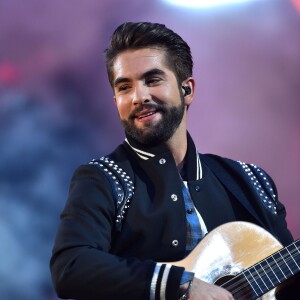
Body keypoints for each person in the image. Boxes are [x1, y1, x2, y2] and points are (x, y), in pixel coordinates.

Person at [50, 22, 298, 299]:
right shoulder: (102, 179)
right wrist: (183, 284)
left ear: (187, 90)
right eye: (124, 87)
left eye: (152, 80)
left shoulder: (250, 181)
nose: (138, 97)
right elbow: (70, 267)